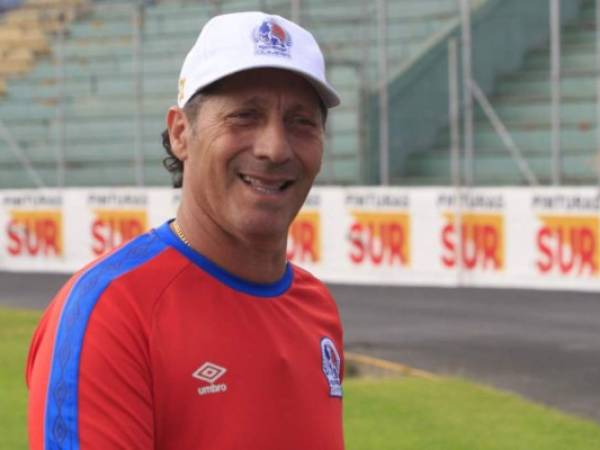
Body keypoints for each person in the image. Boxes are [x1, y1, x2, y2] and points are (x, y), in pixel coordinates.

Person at [26, 10, 344, 450]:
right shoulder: (109, 314)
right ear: (180, 133)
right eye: (244, 116)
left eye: (301, 122)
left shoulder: (317, 307)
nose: (274, 148)